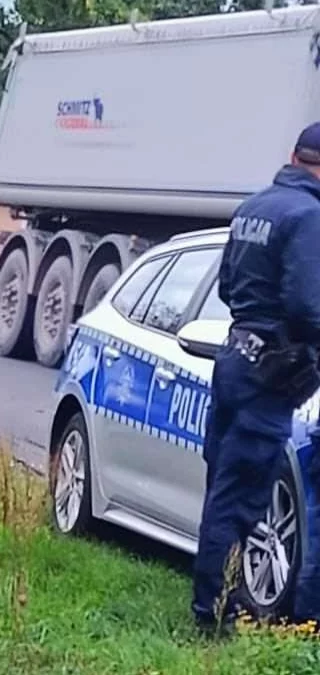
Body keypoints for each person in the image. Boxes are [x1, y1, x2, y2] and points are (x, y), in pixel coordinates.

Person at [193, 122, 320, 631]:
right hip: (272, 374)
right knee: (243, 500)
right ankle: (214, 617)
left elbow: (226, 286)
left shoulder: (254, 207)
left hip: (235, 363)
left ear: (293, 156)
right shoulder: (309, 217)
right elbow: (307, 306)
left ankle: (211, 604)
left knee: (221, 493)